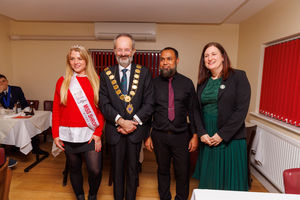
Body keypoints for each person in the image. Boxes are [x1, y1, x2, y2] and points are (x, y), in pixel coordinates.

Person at [99, 33, 153, 200]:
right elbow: (103, 103)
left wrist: (132, 123)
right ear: (114, 51)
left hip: (135, 132)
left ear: (133, 51)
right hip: (115, 132)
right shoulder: (106, 73)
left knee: (132, 171)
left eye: (127, 49)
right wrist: (121, 121)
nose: (123, 53)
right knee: (116, 171)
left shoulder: (144, 72)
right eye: (120, 49)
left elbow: (149, 103)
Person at [192, 42, 251, 191]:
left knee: (231, 182)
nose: (209, 58)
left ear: (223, 57)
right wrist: (202, 133)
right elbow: (196, 110)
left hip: (230, 137)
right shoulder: (202, 82)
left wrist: (222, 135)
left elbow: (241, 110)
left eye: (213, 54)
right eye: (206, 55)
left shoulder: (238, 76)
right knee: (211, 179)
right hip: (208, 136)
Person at [145, 47, 199, 200]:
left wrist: (195, 135)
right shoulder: (152, 84)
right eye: (162, 59)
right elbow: (148, 112)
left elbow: (193, 111)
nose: (165, 63)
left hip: (181, 136)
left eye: (169, 59)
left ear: (177, 61)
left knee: (182, 171)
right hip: (159, 135)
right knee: (162, 170)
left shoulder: (187, 83)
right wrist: (147, 136)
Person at [52, 45, 105, 200]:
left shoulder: (97, 80)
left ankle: (93, 195)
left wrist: (97, 133)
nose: (76, 62)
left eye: (79, 58)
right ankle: (80, 196)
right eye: (72, 58)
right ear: (69, 61)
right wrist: (55, 134)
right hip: (68, 133)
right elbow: (56, 110)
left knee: (94, 169)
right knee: (74, 168)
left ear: (86, 60)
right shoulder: (62, 81)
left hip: (90, 133)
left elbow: (101, 111)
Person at [0, 74, 30, 168]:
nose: (2, 83)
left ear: (7, 81)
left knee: (23, 125)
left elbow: (24, 102)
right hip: (7, 116)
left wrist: (26, 110)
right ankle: (3, 150)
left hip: (17, 113)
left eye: (3, 81)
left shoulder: (16, 89)